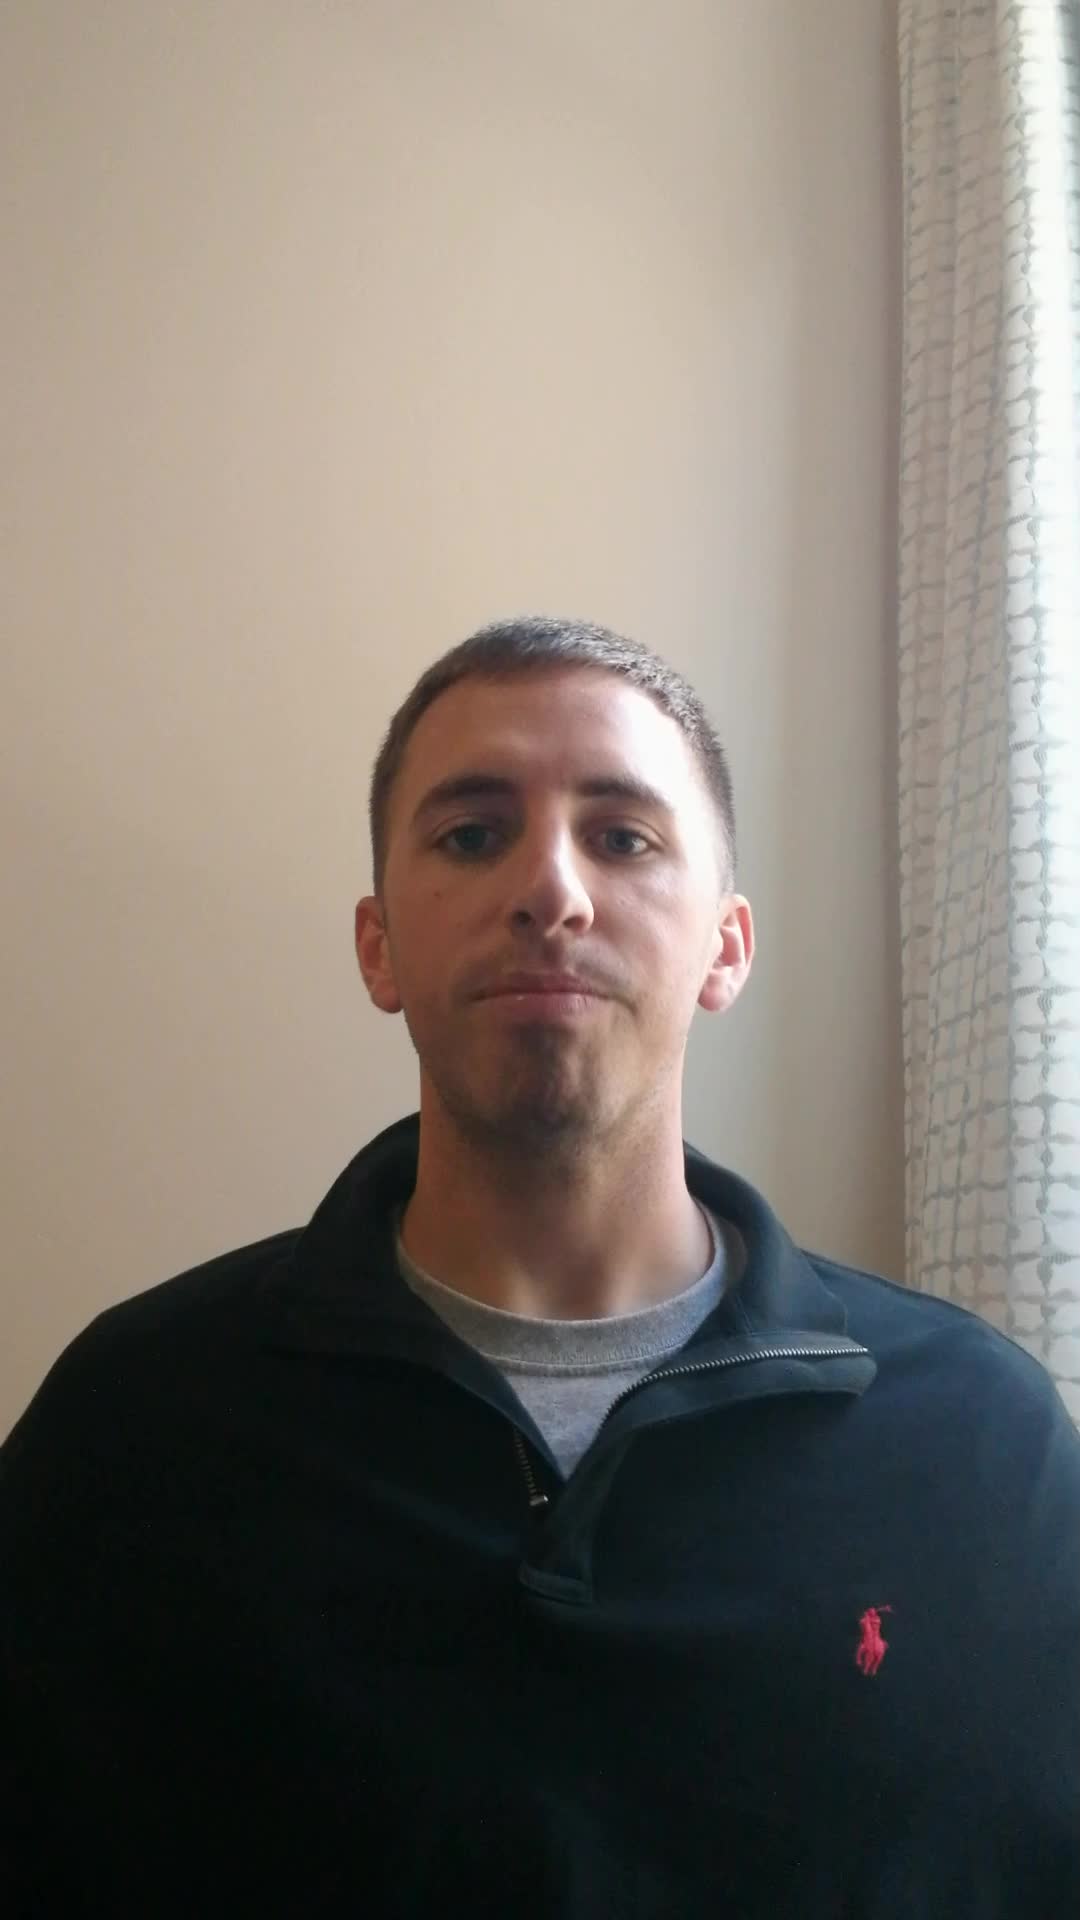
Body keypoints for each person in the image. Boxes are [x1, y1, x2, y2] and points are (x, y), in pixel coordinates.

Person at [3, 615, 1078, 1917]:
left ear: (726, 946)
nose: (550, 890)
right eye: (472, 835)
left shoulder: (984, 1449)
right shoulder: (132, 1432)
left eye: (622, 838)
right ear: (379, 946)